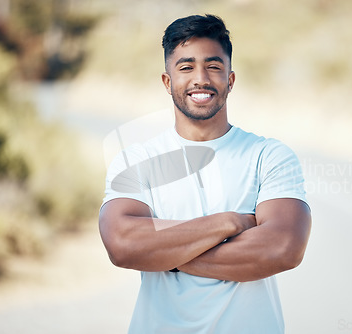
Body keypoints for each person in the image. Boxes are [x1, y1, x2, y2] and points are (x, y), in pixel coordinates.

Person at [99, 14, 312, 334]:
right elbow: (122, 244)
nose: (200, 78)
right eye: (186, 67)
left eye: (213, 66)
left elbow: (282, 248)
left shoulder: (268, 156)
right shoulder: (136, 161)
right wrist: (227, 223)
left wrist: (164, 254)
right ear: (167, 82)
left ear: (230, 79)